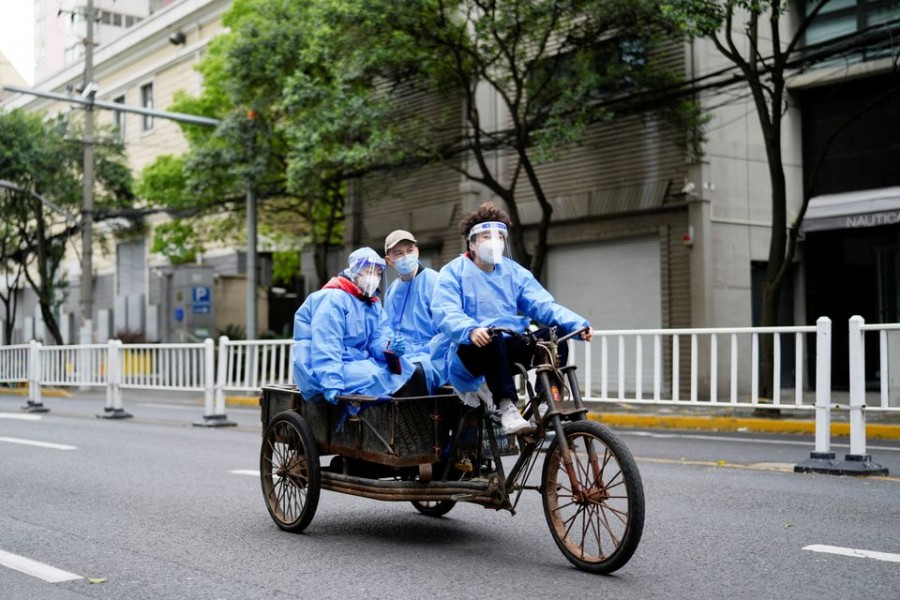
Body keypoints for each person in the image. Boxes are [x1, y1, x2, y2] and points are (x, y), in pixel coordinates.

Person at [431, 202, 593, 434]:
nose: (493, 241)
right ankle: (505, 405)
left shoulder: (514, 272)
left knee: (553, 337)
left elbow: (542, 304)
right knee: (491, 335)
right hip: (469, 350)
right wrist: (470, 329)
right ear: (472, 242)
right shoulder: (453, 271)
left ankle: (547, 400)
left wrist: (578, 324)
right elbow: (446, 311)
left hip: (506, 345)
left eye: (499, 236)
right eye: (486, 236)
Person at [292, 247, 426, 403]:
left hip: (353, 363)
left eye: (378, 273)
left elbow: (378, 338)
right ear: (355, 271)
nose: (374, 277)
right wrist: (331, 381)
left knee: (406, 368)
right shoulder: (333, 298)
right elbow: (327, 344)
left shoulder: (371, 303)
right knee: (375, 375)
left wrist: (388, 348)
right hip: (320, 370)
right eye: (369, 272)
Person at [382, 229, 448, 392]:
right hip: (402, 356)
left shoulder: (435, 282)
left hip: (432, 356)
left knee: (410, 373)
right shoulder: (392, 291)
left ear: (417, 251)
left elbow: (446, 330)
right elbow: (386, 330)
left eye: (409, 250)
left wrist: (421, 351)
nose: (405, 256)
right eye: (399, 253)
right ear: (389, 260)